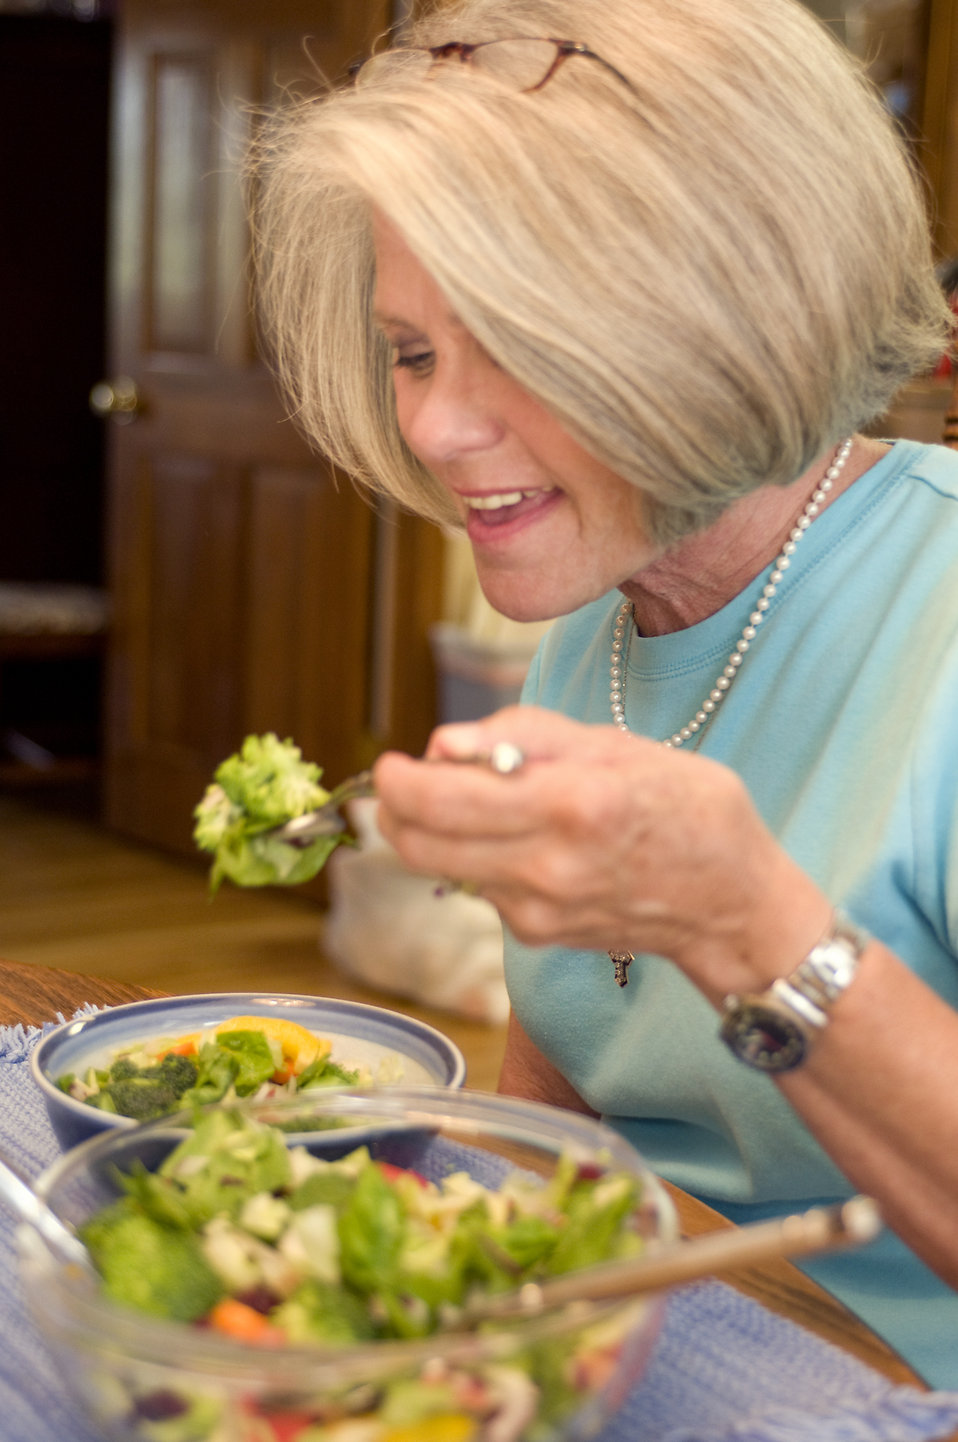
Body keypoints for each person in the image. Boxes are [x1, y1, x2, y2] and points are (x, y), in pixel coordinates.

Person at [250, 0, 958, 1387]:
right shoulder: (603, 617)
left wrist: (741, 920)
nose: (438, 425)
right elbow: (570, 1092)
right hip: (638, 1360)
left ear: (722, 316)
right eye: (412, 349)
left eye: (511, 339)